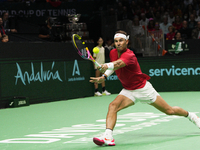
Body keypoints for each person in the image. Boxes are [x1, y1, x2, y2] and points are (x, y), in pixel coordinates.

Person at [90, 30, 200, 146]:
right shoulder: (113, 53)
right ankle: (108, 136)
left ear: (127, 41)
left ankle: (191, 116)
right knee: (113, 106)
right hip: (128, 90)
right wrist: (104, 76)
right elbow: (114, 66)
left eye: (121, 41)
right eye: (116, 41)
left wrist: (105, 65)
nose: (118, 43)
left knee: (169, 110)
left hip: (143, 89)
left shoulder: (130, 55)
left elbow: (117, 64)